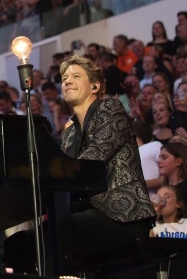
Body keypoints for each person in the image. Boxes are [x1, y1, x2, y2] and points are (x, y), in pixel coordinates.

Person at [59, 55, 155, 265]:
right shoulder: (68, 134)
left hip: (121, 216)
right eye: (64, 78)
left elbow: (93, 159)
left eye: (75, 76)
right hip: (86, 214)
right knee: (21, 241)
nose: (67, 81)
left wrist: (53, 179)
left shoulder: (110, 109)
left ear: (95, 86)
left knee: (53, 235)